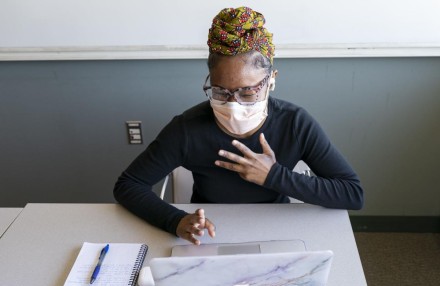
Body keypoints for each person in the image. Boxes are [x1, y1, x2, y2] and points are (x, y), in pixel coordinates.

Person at [114, 6, 363, 245]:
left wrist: (274, 176)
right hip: (211, 231)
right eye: (220, 92)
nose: (233, 105)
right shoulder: (187, 129)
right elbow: (128, 185)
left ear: (271, 81)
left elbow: (351, 193)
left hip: (278, 228)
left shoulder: (294, 123)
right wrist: (175, 220)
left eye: (248, 92)